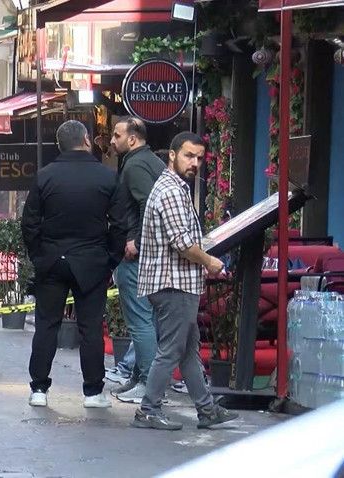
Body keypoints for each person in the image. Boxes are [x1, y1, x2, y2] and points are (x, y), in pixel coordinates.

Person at [133, 132, 238, 430]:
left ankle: (207, 410)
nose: (194, 163)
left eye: (199, 158)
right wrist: (209, 261)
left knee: (188, 351)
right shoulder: (171, 191)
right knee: (170, 350)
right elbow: (182, 243)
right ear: (172, 155)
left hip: (176, 283)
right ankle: (148, 410)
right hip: (173, 284)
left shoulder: (175, 187)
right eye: (188, 155)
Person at [21, 120, 125, 408]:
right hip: (92, 260)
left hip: (52, 259)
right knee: (90, 328)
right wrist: (110, 258)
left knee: (46, 325)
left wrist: (39, 255)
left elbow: (29, 223)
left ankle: (39, 388)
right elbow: (119, 224)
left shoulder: (45, 176)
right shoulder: (107, 176)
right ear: (87, 140)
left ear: (59, 145)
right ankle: (92, 391)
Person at [108, 117, 165, 403]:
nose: (111, 140)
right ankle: (138, 377)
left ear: (132, 139)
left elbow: (148, 204)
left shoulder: (136, 165)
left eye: (116, 135)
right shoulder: (148, 161)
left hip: (137, 255)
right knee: (147, 319)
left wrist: (137, 241)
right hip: (150, 254)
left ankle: (147, 383)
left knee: (140, 320)